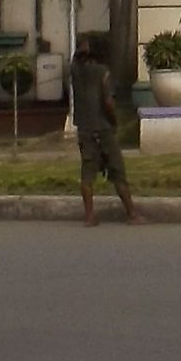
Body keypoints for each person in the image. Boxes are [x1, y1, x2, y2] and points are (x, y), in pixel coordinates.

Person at [69, 41, 139, 227]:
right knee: (117, 170)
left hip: (84, 128)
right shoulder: (103, 72)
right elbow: (108, 102)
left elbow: (76, 58)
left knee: (87, 173)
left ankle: (89, 216)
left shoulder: (75, 72)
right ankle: (132, 214)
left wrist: (82, 49)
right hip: (103, 128)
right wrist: (114, 121)